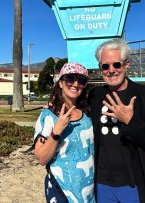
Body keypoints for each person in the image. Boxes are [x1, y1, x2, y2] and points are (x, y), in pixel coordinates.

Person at [88, 39, 145, 203]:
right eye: (105, 66)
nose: (111, 71)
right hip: (101, 183)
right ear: (100, 69)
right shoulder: (94, 96)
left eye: (116, 64)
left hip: (134, 183)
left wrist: (130, 120)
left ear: (126, 65)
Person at [33, 63, 95, 203]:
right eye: (70, 78)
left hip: (89, 189)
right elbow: (42, 158)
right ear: (60, 83)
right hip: (62, 189)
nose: (75, 84)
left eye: (81, 80)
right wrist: (57, 130)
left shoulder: (88, 114)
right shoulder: (48, 116)